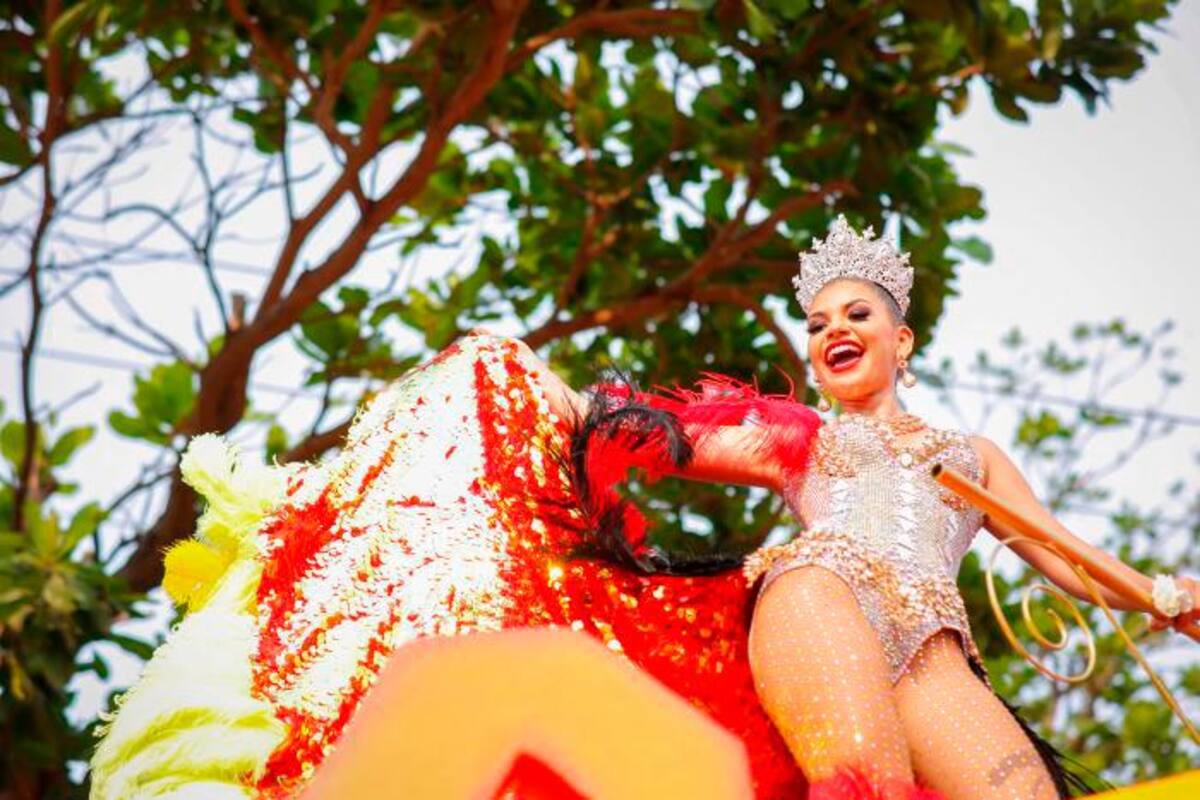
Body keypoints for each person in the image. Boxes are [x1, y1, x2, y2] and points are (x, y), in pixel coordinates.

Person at [535, 214, 1200, 799]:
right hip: (820, 602)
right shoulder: (802, 438)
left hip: (932, 651)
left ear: (901, 340)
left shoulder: (974, 455)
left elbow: (1064, 553)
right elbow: (662, 436)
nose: (835, 332)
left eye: (857, 314)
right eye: (818, 325)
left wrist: (1166, 598)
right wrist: (550, 392)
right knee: (867, 792)